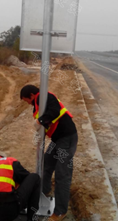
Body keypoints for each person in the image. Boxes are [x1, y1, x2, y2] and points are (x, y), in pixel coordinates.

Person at [20, 85, 78, 221]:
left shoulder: (44, 97)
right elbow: (47, 124)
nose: (27, 103)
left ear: (32, 95)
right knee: (46, 163)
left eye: (26, 100)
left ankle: (60, 212)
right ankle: (44, 191)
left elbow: (54, 111)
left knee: (62, 174)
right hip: (57, 140)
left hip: (66, 138)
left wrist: (40, 121)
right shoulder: (38, 104)